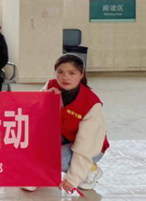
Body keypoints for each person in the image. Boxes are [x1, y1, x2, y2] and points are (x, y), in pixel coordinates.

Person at [23, 54, 109, 193]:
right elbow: (32, 117)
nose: (65, 77)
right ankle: (36, 173)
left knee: (55, 158)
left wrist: (73, 178)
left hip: (90, 148)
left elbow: (85, 146)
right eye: (60, 72)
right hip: (62, 138)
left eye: (72, 73)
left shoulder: (91, 104)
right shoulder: (51, 86)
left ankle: (90, 169)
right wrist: (46, 99)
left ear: (81, 74)